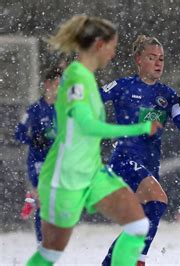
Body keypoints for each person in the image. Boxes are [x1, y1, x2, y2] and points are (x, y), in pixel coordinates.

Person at [26, 15, 162, 266]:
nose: (113, 54)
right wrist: (141, 127)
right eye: (112, 47)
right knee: (50, 252)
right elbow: (86, 125)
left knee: (138, 224)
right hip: (66, 177)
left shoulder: (87, 77)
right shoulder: (76, 77)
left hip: (92, 172)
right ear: (99, 44)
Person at [100, 35, 180, 266]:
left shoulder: (168, 94)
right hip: (124, 159)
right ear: (138, 60)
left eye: (161, 58)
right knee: (159, 201)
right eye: (152, 58)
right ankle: (138, 261)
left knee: (139, 224)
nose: (158, 63)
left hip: (149, 164)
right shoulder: (122, 86)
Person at [15, 66, 62, 243]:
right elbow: (18, 134)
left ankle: (31, 198)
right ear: (48, 84)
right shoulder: (34, 110)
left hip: (57, 162)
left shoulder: (62, 110)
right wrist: (33, 140)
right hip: (38, 161)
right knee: (43, 203)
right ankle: (41, 243)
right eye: (58, 84)